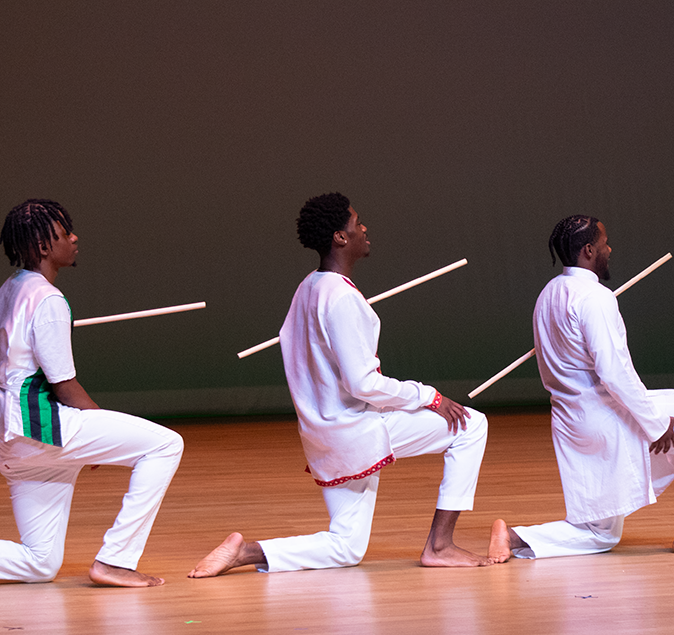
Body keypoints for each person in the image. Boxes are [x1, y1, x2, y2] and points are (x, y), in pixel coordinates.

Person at [189, 192, 491, 576]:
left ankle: (246, 552)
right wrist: (428, 396)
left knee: (346, 547)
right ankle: (440, 545)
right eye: (357, 222)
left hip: (324, 434)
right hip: (356, 429)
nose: (364, 228)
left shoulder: (308, 289)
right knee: (471, 424)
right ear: (340, 238)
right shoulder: (340, 298)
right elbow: (363, 383)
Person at [0, 199, 184, 591]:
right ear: (43, 247)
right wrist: (96, 427)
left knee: (40, 563)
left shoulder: (8, 289)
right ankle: (116, 560)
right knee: (166, 445)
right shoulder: (49, 299)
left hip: (8, 437)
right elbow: (63, 383)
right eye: (64, 232)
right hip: (40, 428)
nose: (74, 237)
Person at [488, 215, 674, 562]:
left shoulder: (549, 293)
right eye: (604, 244)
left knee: (603, 533)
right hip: (605, 419)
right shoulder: (594, 297)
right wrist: (654, 423)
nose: (609, 249)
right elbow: (614, 372)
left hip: (573, 421)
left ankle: (513, 537)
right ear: (589, 250)